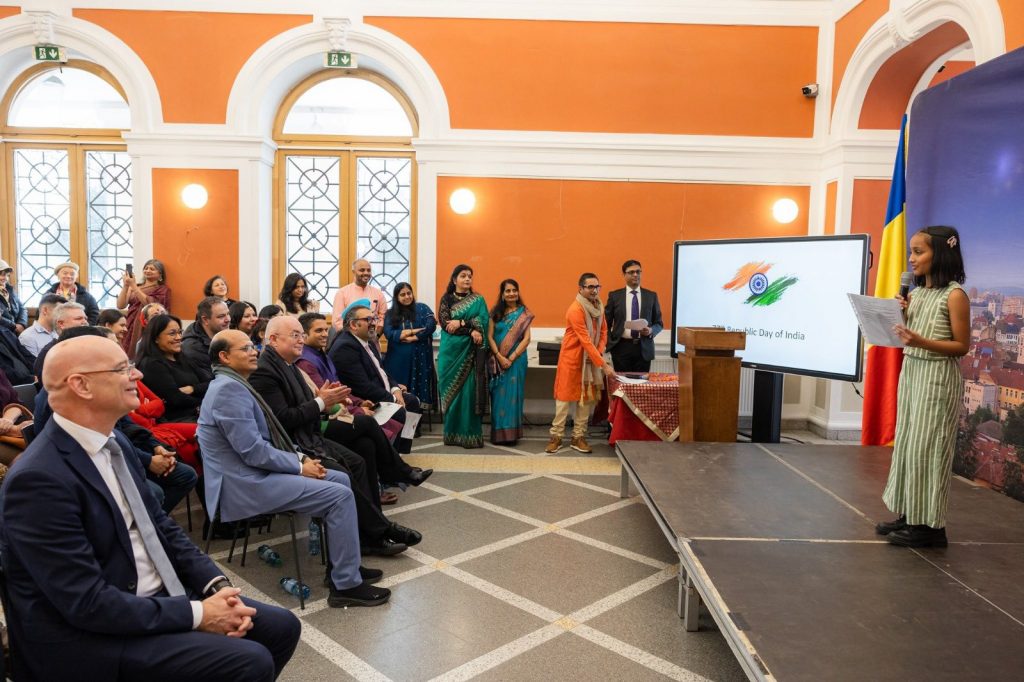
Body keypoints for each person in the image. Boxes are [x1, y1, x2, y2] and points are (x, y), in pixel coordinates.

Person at [0, 335, 301, 681]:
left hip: (148, 594)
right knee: (248, 661)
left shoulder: (114, 441)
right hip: (91, 633)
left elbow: (158, 524)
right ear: (81, 385)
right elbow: (86, 603)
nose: (137, 375)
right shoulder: (38, 479)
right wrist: (199, 615)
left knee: (281, 627)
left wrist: (215, 587)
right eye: (122, 368)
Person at [198, 329, 395, 607]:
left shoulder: (236, 384)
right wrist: (300, 466)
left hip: (255, 472)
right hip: (243, 483)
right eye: (245, 349)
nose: (254, 352)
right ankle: (346, 586)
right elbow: (253, 451)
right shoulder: (228, 390)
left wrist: (301, 460)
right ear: (224, 357)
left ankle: (342, 567)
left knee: (340, 479)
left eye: (253, 346)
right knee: (338, 495)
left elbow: (264, 442)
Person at [250, 316, 424, 552]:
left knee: (364, 449)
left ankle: (370, 535)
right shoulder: (265, 371)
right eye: (295, 335)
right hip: (294, 447)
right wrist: (322, 402)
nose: (301, 340)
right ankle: (381, 527)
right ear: (273, 339)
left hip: (311, 434)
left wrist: (324, 399)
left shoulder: (288, 364)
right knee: (347, 467)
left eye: (302, 335)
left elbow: (307, 404)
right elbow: (285, 419)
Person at [877, 226, 970, 548]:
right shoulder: (916, 295)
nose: (911, 259)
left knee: (929, 449)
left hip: (937, 377)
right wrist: (900, 315)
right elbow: (908, 336)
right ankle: (910, 514)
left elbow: (961, 346)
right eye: (911, 252)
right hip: (913, 372)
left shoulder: (954, 295)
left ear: (940, 253)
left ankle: (931, 527)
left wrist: (920, 341)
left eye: (919, 252)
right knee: (908, 444)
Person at [332, 302, 424, 455]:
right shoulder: (345, 347)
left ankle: (401, 451)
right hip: (364, 399)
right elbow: (362, 387)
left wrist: (395, 388)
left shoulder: (367, 341)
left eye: (374, 319)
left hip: (381, 392)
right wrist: (393, 399)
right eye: (368, 320)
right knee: (400, 411)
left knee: (413, 402)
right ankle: (391, 456)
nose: (374, 323)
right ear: (354, 325)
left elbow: (382, 371)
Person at [545, 273, 614, 454]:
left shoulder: (599, 307)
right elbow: (584, 339)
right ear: (581, 289)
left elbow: (604, 332)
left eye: (597, 287)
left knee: (586, 400)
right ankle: (556, 437)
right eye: (590, 287)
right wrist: (603, 364)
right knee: (563, 400)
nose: (594, 290)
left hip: (591, 359)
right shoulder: (575, 309)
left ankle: (578, 437)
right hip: (572, 359)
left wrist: (598, 352)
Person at [437, 265, 490, 448]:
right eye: (463, 276)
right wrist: (470, 330)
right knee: (451, 395)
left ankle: (469, 436)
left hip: (470, 354)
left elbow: (483, 320)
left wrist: (461, 322)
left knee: (468, 394)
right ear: (454, 280)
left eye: (470, 276)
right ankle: (452, 435)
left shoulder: (478, 300)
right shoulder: (446, 299)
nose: (467, 279)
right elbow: (445, 324)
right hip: (450, 353)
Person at [487, 279, 534, 445]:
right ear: (502, 294)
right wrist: (500, 357)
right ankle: (499, 434)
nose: (511, 293)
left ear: (518, 292)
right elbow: (489, 337)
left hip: (517, 361)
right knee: (498, 397)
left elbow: (527, 339)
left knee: (514, 395)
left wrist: (511, 358)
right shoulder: (495, 313)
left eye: (514, 290)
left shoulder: (524, 314)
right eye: (507, 291)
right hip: (497, 360)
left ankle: (511, 435)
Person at [135, 315, 207, 422]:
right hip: (177, 420)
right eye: (172, 333)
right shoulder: (151, 364)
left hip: (197, 414)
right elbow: (176, 399)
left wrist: (192, 388)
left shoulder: (182, 358)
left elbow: (210, 382)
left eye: (180, 332)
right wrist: (204, 401)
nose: (178, 337)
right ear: (156, 338)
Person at [383, 282, 438, 409]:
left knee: (418, 390)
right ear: (396, 297)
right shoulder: (390, 314)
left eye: (409, 293)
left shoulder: (422, 308)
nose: (407, 296)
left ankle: (417, 418)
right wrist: (415, 331)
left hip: (420, 359)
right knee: (399, 391)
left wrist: (415, 337)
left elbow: (431, 325)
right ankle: (399, 418)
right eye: (402, 295)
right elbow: (389, 333)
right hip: (398, 361)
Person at [605, 259, 664, 372]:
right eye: (631, 272)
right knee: (621, 382)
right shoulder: (614, 296)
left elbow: (659, 323)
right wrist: (610, 342)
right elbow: (605, 323)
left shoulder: (651, 296)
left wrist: (651, 330)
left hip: (643, 348)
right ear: (624, 274)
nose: (635, 275)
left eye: (638, 271)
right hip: (621, 347)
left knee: (641, 382)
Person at [118, 259, 172, 358]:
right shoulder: (136, 286)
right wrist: (126, 286)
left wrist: (133, 286)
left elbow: (151, 305)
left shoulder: (163, 289)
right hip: (130, 324)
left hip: (148, 325)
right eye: (146, 268)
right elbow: (120, 305)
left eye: (152, 269)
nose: (148, 270)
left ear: (160, 274)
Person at [32, 301, 89, 382]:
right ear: (61, 324)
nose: (85, 322)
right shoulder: (50, 352)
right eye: (78, 318)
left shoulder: (86, 346)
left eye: (85, 318)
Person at [332, 258, 388, 335]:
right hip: (349, 338)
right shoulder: (342, 293)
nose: (366, 273)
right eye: (362, 270)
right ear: (353, 272)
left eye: (368, 270)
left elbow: (383, 317)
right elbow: (337, 321)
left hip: (372, 338)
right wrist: (352, 337)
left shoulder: (378, 293)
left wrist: (376, 336)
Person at [181, 296, 231, 383]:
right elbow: (213, 380)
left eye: (228, 314)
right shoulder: (193, 348)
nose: (228, 319)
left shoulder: (222, 332)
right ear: (205, 320)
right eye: (221, 316)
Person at [18, 293, 65, 358]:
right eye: (60, 311)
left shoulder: (59, 332)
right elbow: (33, 364)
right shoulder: (27, 337)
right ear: (45, 310)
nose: (63, 316)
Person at [0, 259, 27, 334]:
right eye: (2, 274)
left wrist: (22, 324)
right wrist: (14, 326)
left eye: (7, 275)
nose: (5, 278)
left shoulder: (10, 290)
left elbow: (22, 308)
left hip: (13, 334)